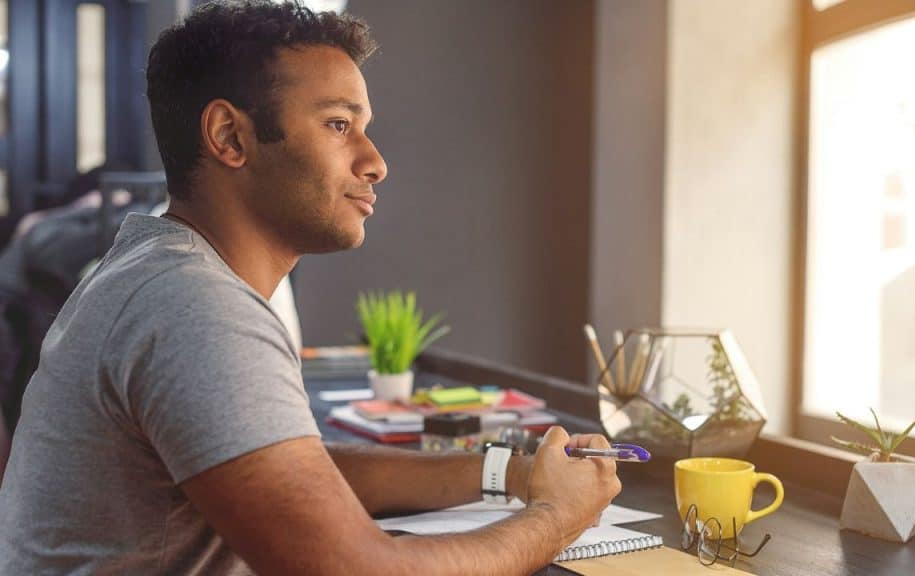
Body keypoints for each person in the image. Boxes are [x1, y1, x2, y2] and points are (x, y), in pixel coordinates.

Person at [0, 1, 621, 574]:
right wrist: (559, 517)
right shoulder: (194, 307)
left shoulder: (162, 268)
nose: (374, 161)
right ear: (229, 137)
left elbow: (295, 472)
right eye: (337, 125)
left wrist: (509, 472)